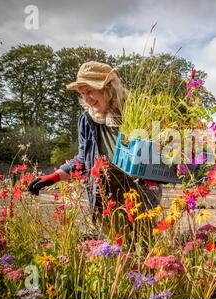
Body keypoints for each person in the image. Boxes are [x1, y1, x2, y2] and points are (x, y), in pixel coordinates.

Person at [27, 61, 162, 229]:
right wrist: (55, 176)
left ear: (108, 88)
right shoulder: (87, 120)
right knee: (111, 250)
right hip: (103, 198)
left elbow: (158, 153)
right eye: (83, 93)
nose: (87, 98)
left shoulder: (135, 113)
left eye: (90, 91)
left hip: (138, 196)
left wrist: (153, 173)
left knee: (142, 246)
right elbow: (83, 160)